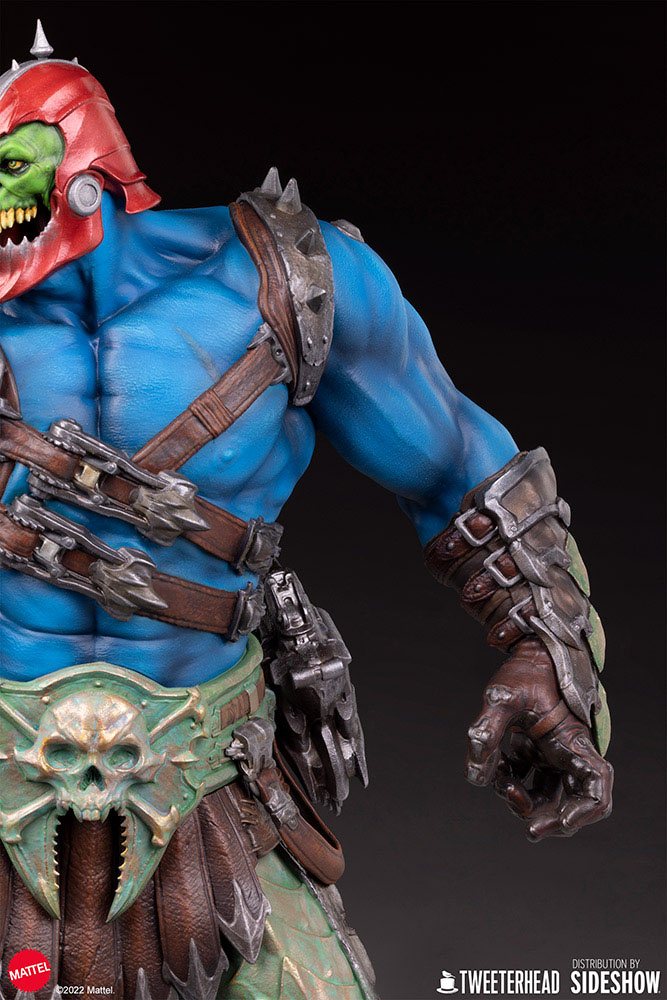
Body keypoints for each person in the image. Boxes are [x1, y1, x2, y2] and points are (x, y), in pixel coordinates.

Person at [0, 22, 612, 1000]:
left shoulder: (284, 283)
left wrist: (546, 655)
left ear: (85, 169)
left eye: (10, 170)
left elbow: (459, 470)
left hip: (214, 784)